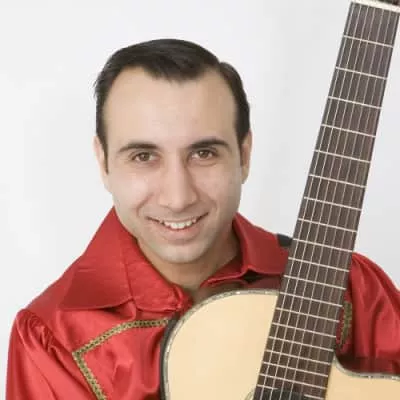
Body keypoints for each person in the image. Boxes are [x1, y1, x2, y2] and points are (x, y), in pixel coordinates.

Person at [6, 38, 400, 399]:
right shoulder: (52, 338)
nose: (178, 198)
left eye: (204, 153)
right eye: (143, 156)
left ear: (244, 155)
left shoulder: (350, 286)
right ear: (104, 162)